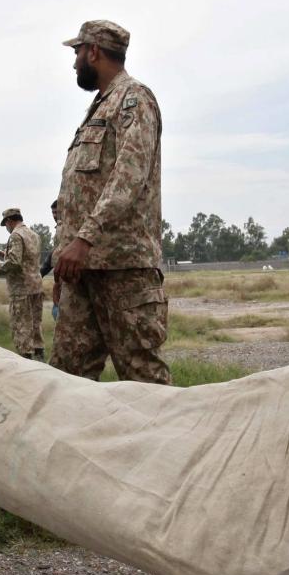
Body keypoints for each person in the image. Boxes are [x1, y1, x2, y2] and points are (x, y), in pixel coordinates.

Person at [52, 21, 169, 384]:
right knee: (66, 380)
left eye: (76, 53)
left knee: (143, 379)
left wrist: (84, 239)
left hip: (122, 269)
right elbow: (81, 189)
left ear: (94, 52)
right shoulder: (99, 108)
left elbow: (128, 178)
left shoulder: (134, 100)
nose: (74, 63)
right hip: (80, 271)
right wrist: (63, 253)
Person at [0, 207, 46, 360]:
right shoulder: (34, 234)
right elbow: (28, 258)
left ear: (9, 221)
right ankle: (40, 357)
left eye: (5, 224)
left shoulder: (15, 235)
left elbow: (14, 263)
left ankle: (25, 360)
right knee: (35, 324)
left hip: (21, 289)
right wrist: (6, 254)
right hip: (36, 286)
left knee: (21, 326)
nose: (6, 228)